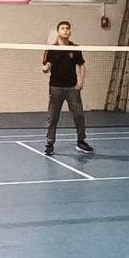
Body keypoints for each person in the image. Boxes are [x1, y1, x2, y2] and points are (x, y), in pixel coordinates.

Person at [42, 20, 93, 156]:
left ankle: (81, 141)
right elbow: (45, 67)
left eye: (67, 28)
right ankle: (50, 143)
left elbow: (81, 64)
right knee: (53, 117)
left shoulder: (75, 48)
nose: (65, 30)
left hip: (72, 88)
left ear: (70, 31)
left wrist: (81, 80)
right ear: (58, 31)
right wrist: (45, 68)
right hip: (56, 88)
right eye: (62, 28)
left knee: (79, 115)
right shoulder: (52, 49)